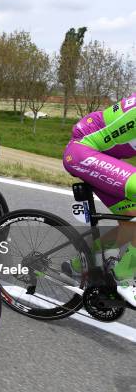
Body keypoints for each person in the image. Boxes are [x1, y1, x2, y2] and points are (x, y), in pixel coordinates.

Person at [63, 92, 136, 306]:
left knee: (131, 220)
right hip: (82, 152)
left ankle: (79, 265)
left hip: (101, 156)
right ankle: (123, 276)